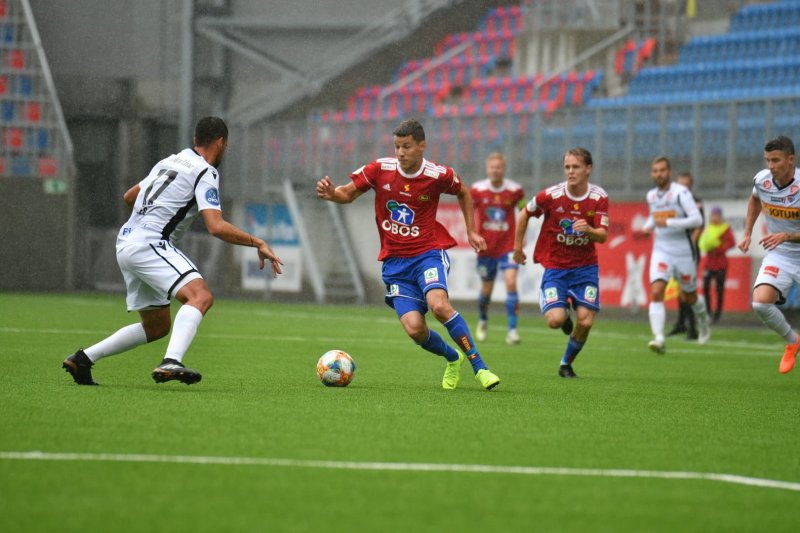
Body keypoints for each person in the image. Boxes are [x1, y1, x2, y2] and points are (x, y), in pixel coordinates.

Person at [62, 117, 283, 386]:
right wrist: (257, 242)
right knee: (200, 296)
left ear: (195, 140)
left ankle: (83, 359)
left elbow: (129, 196)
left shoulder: (170, 161)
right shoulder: (206, 171)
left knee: (157, 326)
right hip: (150, 243)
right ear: (221, 142)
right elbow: (215, 226)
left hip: (126, 242)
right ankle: (171, 361)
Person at [316, 118, 500, 390]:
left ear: (421, 146)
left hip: (428, 253)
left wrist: (471, 231)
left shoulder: (437, 175)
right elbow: (348, 193)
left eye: (406, 146)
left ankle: (480, 367)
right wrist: (333, 194)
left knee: (438, 305)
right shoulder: (380, 169)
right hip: (395, 263)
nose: (400, 152)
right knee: (415, 329)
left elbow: (463, 191)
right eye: (397, 146)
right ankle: (453, 357)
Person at [513, 147, 609, 378]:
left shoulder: (598, 197)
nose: (570, 171)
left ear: (588, 169)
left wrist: (590, 230)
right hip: (556, 267)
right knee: (555, 321)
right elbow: (525, 213)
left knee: (585, 322)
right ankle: (561, 312)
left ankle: (566, 363)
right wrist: (518, 247)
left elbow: (603, 236)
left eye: (575, 167)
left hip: (585, 268)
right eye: (567, 167)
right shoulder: (551, 195)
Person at [738, 135, 800, 374]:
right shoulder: (762, 180)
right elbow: (754, 201)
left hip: (790, 244)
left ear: (790, 159)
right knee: (761, 302)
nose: (771, 166)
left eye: (776, 160)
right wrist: (747, 233)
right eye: (768, 160)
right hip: (780, 254)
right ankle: (793, 341)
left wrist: (787, 235)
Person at [642, 157, 711, 354]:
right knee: (656, 291)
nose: (658, 174)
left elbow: (697, 220)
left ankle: (703, 320)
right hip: (661, 251)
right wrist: (649, 226)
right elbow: (655, 216)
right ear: (651, 174)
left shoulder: (681, 193)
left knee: (689, 296)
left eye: (662, 170)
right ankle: (659, 338)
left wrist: (670, 223)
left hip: (683, 253)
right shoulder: (651, 196)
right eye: (655, 171)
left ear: (669, 172)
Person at [471, 152, 526, 344]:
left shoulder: (515, 190)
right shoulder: (477, 190)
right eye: (492, 167)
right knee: (486, 289)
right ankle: (483, 319)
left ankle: (512, 330)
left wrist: (522, 238)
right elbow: (469, 211)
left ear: (503, 169)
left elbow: (524, 211)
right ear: (487, 169)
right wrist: (472, 232)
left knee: (511, 282)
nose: (495, 170)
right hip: (486, 248)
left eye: (499, 167)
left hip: (508, 246)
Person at [667, 171, 704, 340]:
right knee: (680, 289)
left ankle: (694, 328)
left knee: (687, 290)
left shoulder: (696, 203)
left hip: (688, 252)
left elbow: (698, 227)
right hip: (675, 251)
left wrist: (688, 246)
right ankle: (681, 324)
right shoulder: (673, 201)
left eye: (686, 185)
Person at [699, 206, 735, 323]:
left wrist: (719, 247)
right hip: (709, 262)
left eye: (717, 215)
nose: (715, 217)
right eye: (713, 215)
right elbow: (703, 241)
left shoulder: (725, 228)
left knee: (719, 290)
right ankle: (708, 312)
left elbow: (731, 243)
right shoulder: (709, 228)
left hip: (720, 263)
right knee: (705, 288)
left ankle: (717, 314)